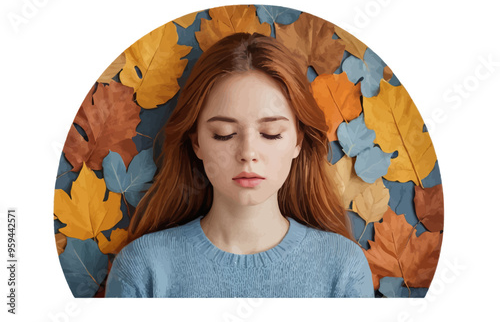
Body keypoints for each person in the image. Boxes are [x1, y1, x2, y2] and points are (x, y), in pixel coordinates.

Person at [105, 32, 374, 298]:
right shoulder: (142, 268)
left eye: (271, 133)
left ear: (297, 142)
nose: (248, 153)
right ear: (196, 142)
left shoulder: (343, 268)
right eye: (224, 133)